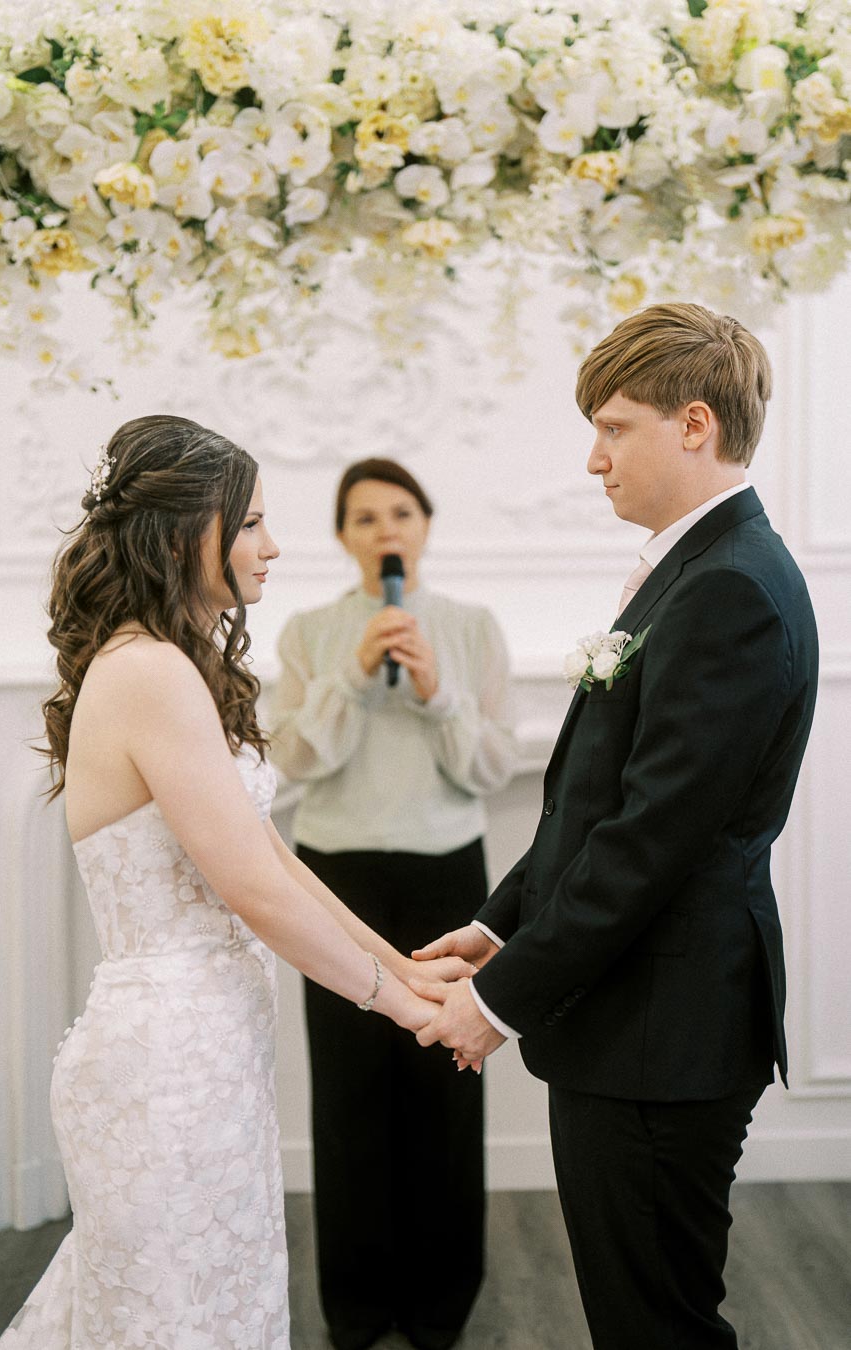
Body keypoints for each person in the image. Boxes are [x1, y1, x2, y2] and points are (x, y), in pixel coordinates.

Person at [0, 416, 469, 1350]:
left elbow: (275, 862)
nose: (272, 545)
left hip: (209, 1056)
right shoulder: (148, 671)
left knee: (216, 1305)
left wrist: (409, 969)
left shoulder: (179, 663)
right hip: (162, 1067)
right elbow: (252, 887)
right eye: (249, 523)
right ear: (184, 534)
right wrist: (406, 1008)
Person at [413, 304, 819, 1350]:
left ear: (695, 423)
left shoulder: (729, 588)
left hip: (662, 1031)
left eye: (613, 427)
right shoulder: (695, 569)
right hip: (637, 1021)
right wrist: (500, 925)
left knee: (656, 1327)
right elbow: (596, 802)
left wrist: (497, 1004)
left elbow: (650, 845)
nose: (593, 460)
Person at [269, 458, 517, 1350]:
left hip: (447, 878)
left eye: (401, 513)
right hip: (335, 880)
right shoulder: (306, 631)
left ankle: (442, 1302)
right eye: (365, 517)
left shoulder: (471, 627)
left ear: (425, 525)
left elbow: (491, 767)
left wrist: (434, 690)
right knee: (348, 1091)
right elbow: (291, 764)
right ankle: (359, 1307)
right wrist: (350, 670)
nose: (385, 531)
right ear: (342, 536)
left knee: (445, 1087)